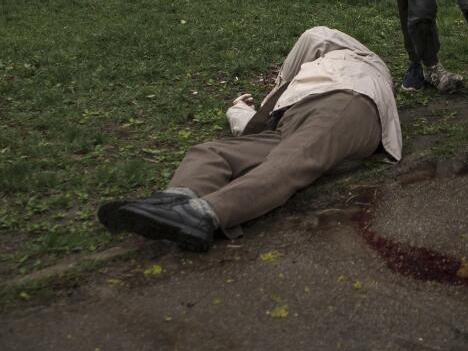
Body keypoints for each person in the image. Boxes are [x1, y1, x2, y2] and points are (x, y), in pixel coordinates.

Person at [98, 27, 401, 251]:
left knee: (289, 162)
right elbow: (256, 129)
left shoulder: (360, 59)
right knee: (212, 151)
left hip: (345, 102)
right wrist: (239, 110)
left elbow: (313, 35)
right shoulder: (310, 82)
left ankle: (205, 214)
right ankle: (176, 200)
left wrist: (277, 87)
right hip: (293, 118)